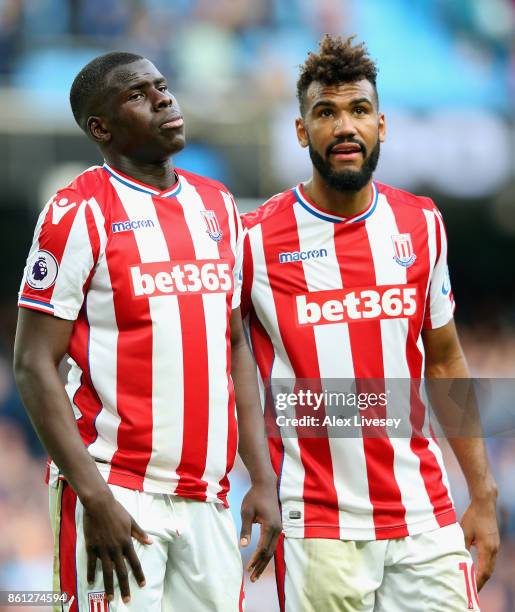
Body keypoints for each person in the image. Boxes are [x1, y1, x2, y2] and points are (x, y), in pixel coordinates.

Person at [13, 51, 281, 612]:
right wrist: (94, 496)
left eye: (162, 86)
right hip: (117, 489)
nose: (163, 99)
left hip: (209, 497)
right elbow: (33, 362)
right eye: (137, 94)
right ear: (100, 128)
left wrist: (261, 475)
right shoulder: (77, 210)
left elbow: (234, 342)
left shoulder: (219, 205)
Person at [241, 35, 499, 611]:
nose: (344, 127)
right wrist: (258, 479)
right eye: (325, 113)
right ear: (302, 131)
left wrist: (481, 493)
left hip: (424, 513)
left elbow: (447, 360)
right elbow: (225, 367)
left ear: (382, 124)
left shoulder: (422, 224)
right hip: (318, 522)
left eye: (358, 110)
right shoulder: (253, 241)